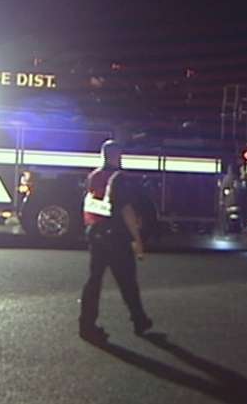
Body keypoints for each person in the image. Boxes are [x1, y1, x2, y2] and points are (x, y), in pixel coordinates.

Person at [79, 139, 153, 342]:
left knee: (94, 280)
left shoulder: (93, 176)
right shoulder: (119, 178)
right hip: (116, 236)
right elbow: (126, 210)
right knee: (127, 280)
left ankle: (86, 325)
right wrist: (137, 240)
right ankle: (139, 319)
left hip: (95, 232)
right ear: (116, 155)